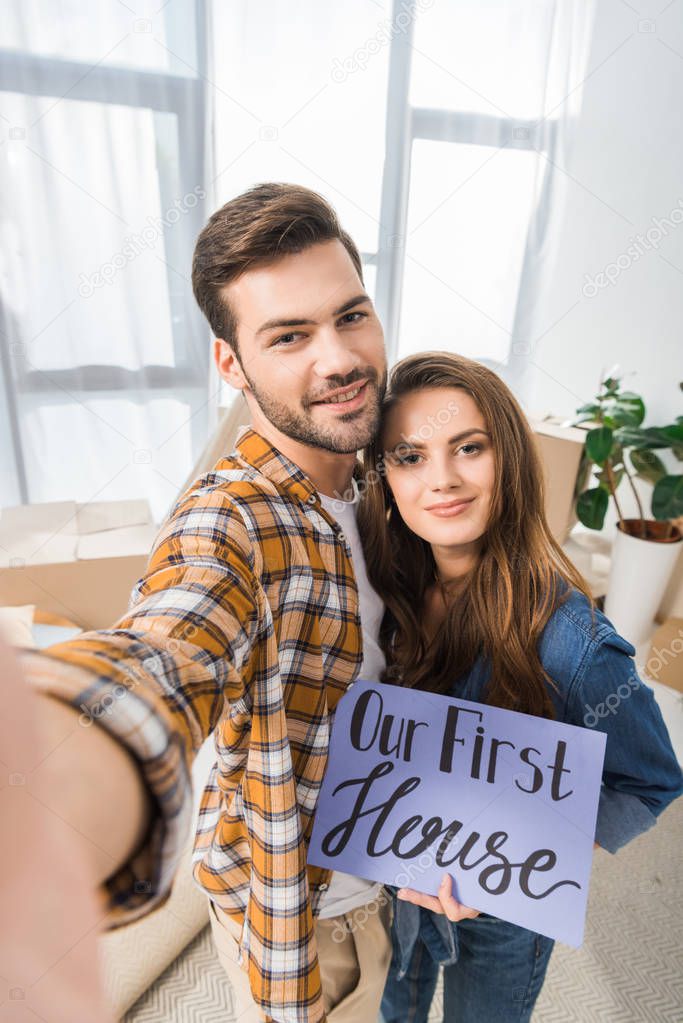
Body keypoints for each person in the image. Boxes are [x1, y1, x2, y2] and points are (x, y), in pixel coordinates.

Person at [13, 183, 393, 1023]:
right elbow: (167, 647)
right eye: (288, 335)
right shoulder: (229, 520)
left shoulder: (380, 476)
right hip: (311, 924)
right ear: (232, 364)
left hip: (403, 872)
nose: (336, 358)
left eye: (351, 315)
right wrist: (59, 765)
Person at [353, 350, 683, 1023]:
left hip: (504, 911)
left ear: (506, 455)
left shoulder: (573, 645)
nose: (441, 479)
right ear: (383, 478)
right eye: (409, 456)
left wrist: (513, 857)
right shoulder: (378, 600)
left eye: (467, 447)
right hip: (395, 885)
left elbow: (650, 778)